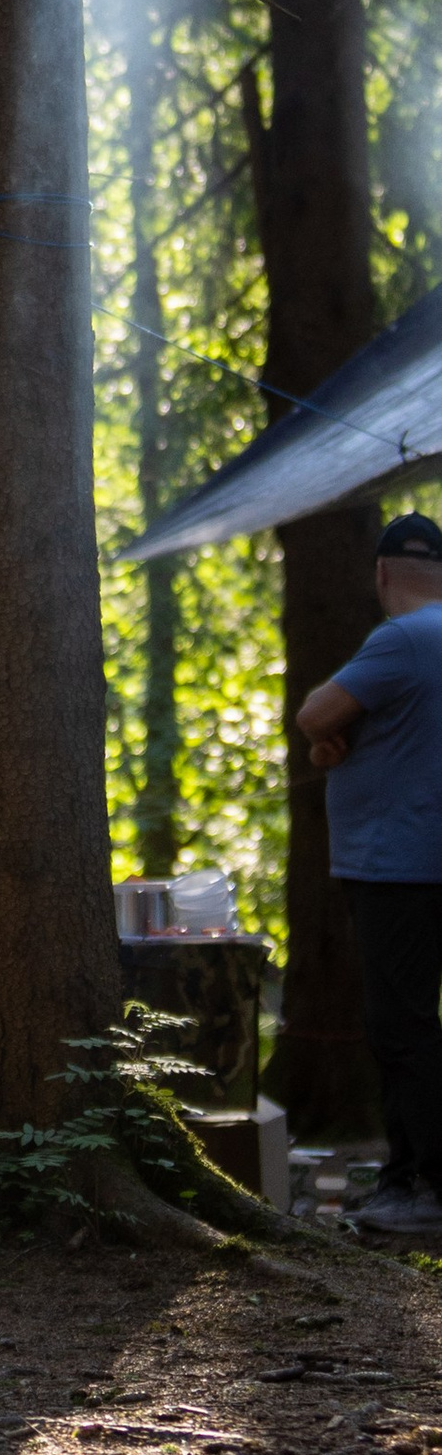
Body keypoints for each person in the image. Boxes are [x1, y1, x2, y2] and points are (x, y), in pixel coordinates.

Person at [296, 510, 442, 1238]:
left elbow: (315, 710)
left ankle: (426, 1191)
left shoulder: (403, 638)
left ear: (382, 574)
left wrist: (329, 735)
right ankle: (403, 1177)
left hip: (401, 868)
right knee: (416, 1026)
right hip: (421, 859)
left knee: (403, 1028)